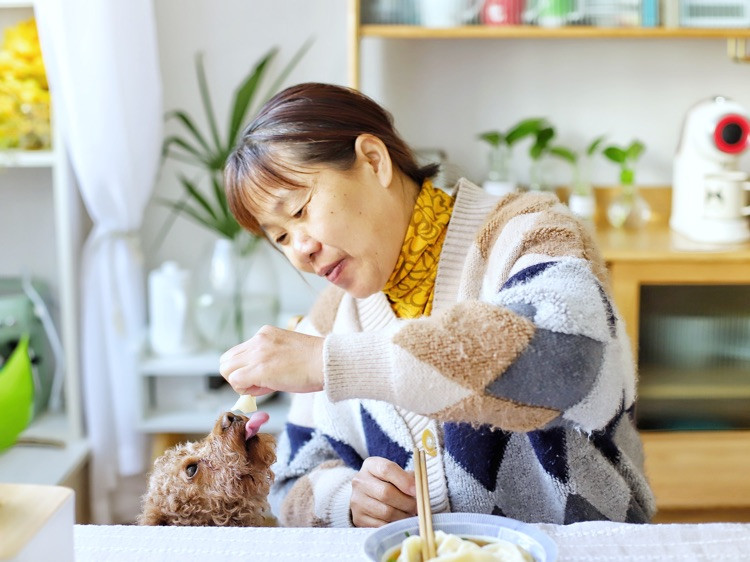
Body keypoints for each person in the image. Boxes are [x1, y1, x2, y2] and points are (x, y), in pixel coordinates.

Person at [219, 82, 656, 528]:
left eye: (298, 211)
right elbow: (291, 482)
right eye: (280, 238)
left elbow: (563, 359)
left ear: (373, 159)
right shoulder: (332, 317)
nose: (300, 251)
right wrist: (346, 500)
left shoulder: (529, 232)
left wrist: (329, 362)